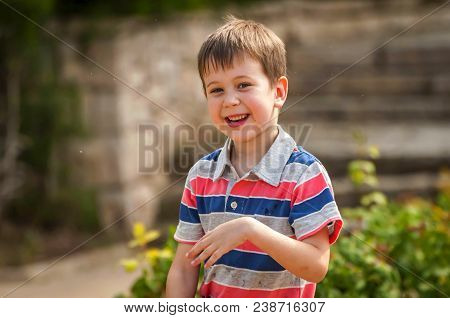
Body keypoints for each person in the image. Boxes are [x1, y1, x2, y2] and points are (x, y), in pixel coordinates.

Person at [166, 15, 343, 298]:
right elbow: (184, 268)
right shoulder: (201, 176)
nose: (230, 100)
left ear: (278, 91)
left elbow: (316, 265)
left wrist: (251, 230)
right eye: (216, 90)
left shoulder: (304, 174)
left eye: (244, 85)